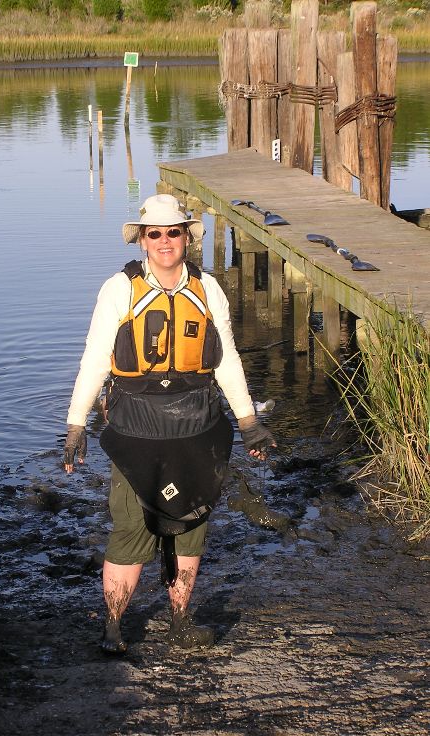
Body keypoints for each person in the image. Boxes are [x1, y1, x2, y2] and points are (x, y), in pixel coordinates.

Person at [64, 194, 275, 655]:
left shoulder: (208, 288)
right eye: (154, 233)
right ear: (142, 240)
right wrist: (76, 424)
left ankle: (181, 620)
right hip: (136, 431)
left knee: (191, 521)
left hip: (197, 429)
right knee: (130, 529)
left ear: (186, 238)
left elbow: (227, 361)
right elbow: (96, 359)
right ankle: (114, 628)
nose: (164, 241)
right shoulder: (119, 289)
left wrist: (249, 422)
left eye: (173, 232)